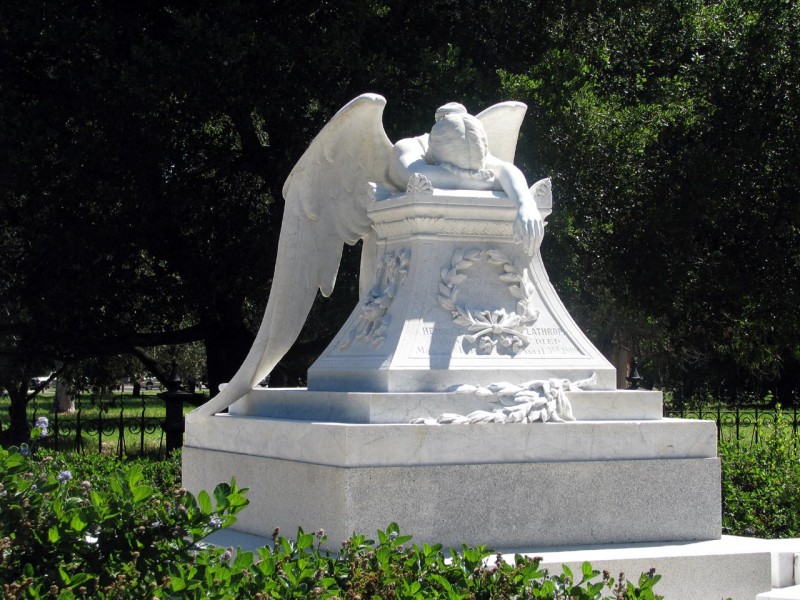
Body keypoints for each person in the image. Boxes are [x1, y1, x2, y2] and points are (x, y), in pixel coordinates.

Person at [386, 103, 544, 255]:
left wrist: (526, 205)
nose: (470, 174)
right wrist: (485, 181)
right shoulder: (406, 149)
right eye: (456, 170)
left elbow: (505, 169)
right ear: (434, 154)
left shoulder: (469, 145)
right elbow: (417, 176)